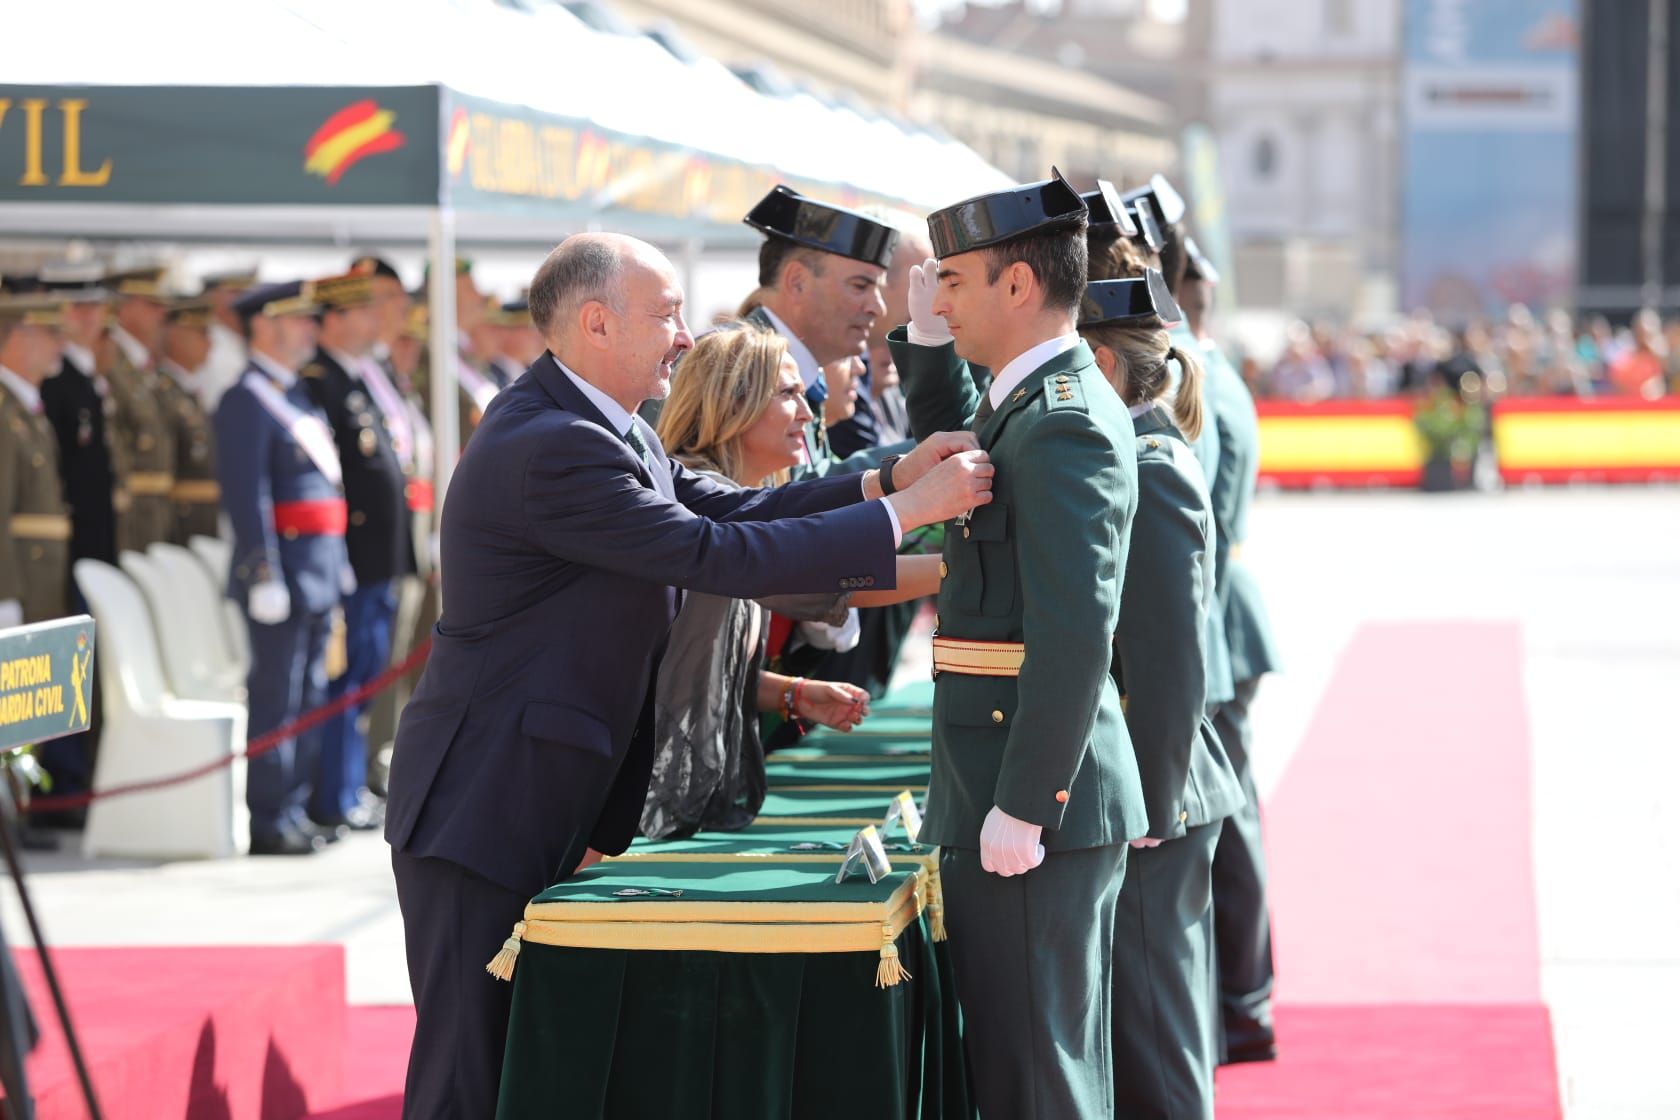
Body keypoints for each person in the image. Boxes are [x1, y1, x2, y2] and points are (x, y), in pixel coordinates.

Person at [384, 232, 993, 1119]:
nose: (683, 335)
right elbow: (712, 551)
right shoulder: (554, 442)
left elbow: (734, 503)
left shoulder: (607, 423)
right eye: (667, 313)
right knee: (470, 1070)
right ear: (596, 322)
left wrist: (885, 482)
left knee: (523, 1059)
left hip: (540, 787)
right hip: (489, 800)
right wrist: (908, 512)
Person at [888, 171, 1147, 1118]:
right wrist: (924, 341)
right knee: (1020, 1060)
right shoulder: (1029, 404)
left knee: (1040, 1075)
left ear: (1018, 287)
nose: (939, 296)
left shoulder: (1066, 422)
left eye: (953, 279)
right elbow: (953, 452)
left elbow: (1076, 633)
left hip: (1029, 793)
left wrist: (1027, 802)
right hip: (996, 777)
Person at [643, 322, 942, 838]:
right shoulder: (700, 503)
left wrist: (791, 694)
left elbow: (697, 668)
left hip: (689, 792)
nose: (807, 413)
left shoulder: (729, 493)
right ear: (731, 402)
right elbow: (837, 579)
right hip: (650, 799)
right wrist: (958, 565)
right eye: (788, 394)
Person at [1080, 273, 1246, 1115]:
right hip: (1153, 796)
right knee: (1142, 1027)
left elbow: (1173, 658)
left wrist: (1151, 797)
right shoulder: (1128, 454)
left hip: (1159, 800)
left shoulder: (1150, 464)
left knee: (1153, 1036)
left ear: (1104, 365)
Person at [1179, 238, 1286, 1065]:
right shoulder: (1209, 366)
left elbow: (1199, 531)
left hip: (1212, 619)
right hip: (1224, 614)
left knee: (1228, 818)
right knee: (1235, 810)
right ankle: (1243, 996)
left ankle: (1241, 999)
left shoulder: (1194, 375)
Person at [214, 281, 351, 857]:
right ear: (264, 326)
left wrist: (338, 564)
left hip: (317, 569)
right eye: (298, 321)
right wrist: (262, 571)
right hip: (284, 574)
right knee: (277, 696)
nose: (310, 331)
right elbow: (250, 496)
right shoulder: (246, 398)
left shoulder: (294, 394)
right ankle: (269, 818)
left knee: (310, 693)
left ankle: (292, 807)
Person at [301, 270, 414, 832]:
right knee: (344, 681)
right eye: (365, 312)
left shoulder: (357, 380)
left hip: (380, 558)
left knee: (366, 677)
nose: (377, 323)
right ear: (336, 319)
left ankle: (346, 789)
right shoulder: (320, 381)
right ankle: (333, 794)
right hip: (353, 558)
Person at [0, 295, 70, 630]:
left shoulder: (24, 409)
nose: (61, 343)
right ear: (16, 339)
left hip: (40, 579)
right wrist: (4, 595)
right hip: (20, 582)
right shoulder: (4, 412)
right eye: (50, 332)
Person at [103, 267, 176, 552]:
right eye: (152, 305)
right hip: (131, 516)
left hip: (155, 511)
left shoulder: (142, 365)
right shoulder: (111, 359)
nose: (161, 315)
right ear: (125, 307)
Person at [155, 299, 220, 543]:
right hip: (178, 523)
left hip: (201, 519)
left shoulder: (188, 392)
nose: (209, 343)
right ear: (175, 336)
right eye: (201, 333)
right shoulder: (162, 391)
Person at [197, 267, 257, 412]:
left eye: (247, 292)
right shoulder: (204, 341)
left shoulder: (246, 339)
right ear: (210, 297)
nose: (244, 298)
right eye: (235, 292)